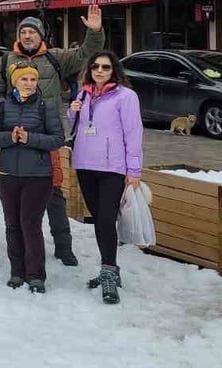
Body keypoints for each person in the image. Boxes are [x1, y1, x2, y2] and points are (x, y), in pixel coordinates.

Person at [0, 5, 105, 267]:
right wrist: (4, 128)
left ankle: (63, 245)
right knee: (20, 195)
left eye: (32, 31)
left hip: (48, 138)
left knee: (54, 191)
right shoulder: (6, 61)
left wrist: (95, 32)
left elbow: (87, 53)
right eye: (24, 32)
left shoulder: (55, 58)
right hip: (17, 139)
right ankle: (23, 249)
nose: (28, 36)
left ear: (41, 35)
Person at [68, 50, 143, 305]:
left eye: (106, 67)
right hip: (85, 165)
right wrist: (73, 111)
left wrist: (134, 171)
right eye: (96, 66)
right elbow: (77, 126)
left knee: (106, 219)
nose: (100, 71)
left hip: (112, 167)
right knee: (98, 219)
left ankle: (108, 271)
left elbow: (133, 134)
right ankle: (109, 267)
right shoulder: (84, 93)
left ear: (114, 71)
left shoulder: (126, 97)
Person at [0, 64, 65, 293]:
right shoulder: (2, 106)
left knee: (30, 224)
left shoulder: (46, 106)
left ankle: (35, 274)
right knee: (12, 225)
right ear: (15, 82)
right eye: (25, 79)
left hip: (38, 175)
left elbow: (58, 138)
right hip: (8, 174)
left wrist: (30, 138)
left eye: (33, 79)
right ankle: (17, 271)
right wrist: (10, 137)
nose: (30, 83)